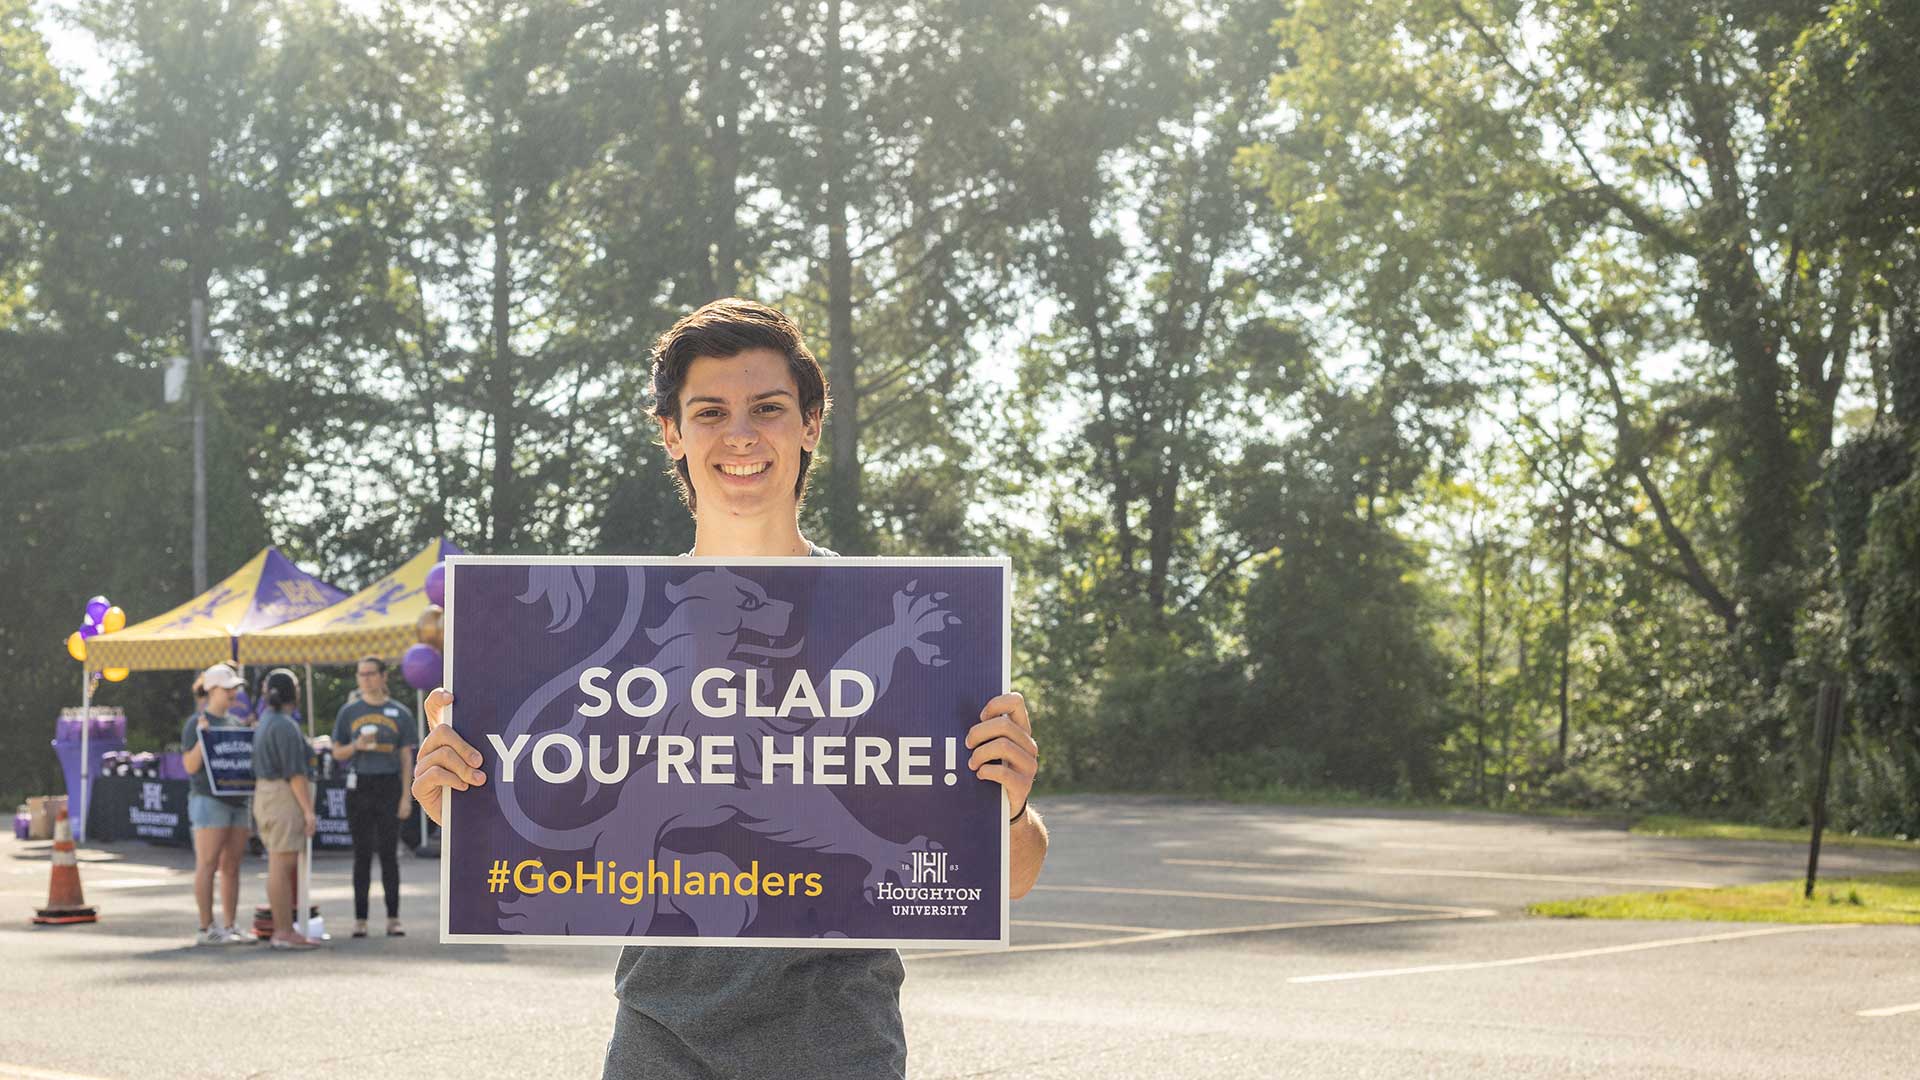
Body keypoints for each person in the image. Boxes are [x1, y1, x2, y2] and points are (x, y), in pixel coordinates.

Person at [412, 298, 1048, 1079]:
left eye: (768, 408)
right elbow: (564, 835)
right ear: (673, 432)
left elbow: (1009, 876)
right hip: (655, 1047)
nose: (740, 434)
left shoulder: (887, 608)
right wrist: (472, 805)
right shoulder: (617, 624)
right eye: (709, 411)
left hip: (837, 1049)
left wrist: (1010, 806)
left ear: (811, 423)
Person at [331, 656, 416, 937]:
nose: (365, 679)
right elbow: (337, 752)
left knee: (389, 855)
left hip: (389, 785)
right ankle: (360, 919)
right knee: (361, 855)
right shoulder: (349, 712)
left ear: (382, 677)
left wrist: (407, 796)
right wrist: (356, 745)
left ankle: (393, 917)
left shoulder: (400, 713)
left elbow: (407, 758)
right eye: (361, 674)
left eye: (370, 674)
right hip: (360, 786)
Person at [179, 663, 252, 945]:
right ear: (212, 690)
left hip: (237, 800)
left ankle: (231, 925)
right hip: (209, 800)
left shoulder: (235, 724)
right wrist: (202, 736)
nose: (234, 693)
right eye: (228, 688)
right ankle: (206, 927)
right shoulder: (195, 722)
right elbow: (189, 765)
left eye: (235, 688)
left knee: (232, 864)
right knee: (207, 863)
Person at [252, 667, 319, 950]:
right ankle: (283, 930)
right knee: (282, 864)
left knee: (276, 863)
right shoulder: (284, 725)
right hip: (282, 796)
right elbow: (295, 774)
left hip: (265, 794)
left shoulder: (266, 720)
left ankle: (283, 928)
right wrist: (308, 811)